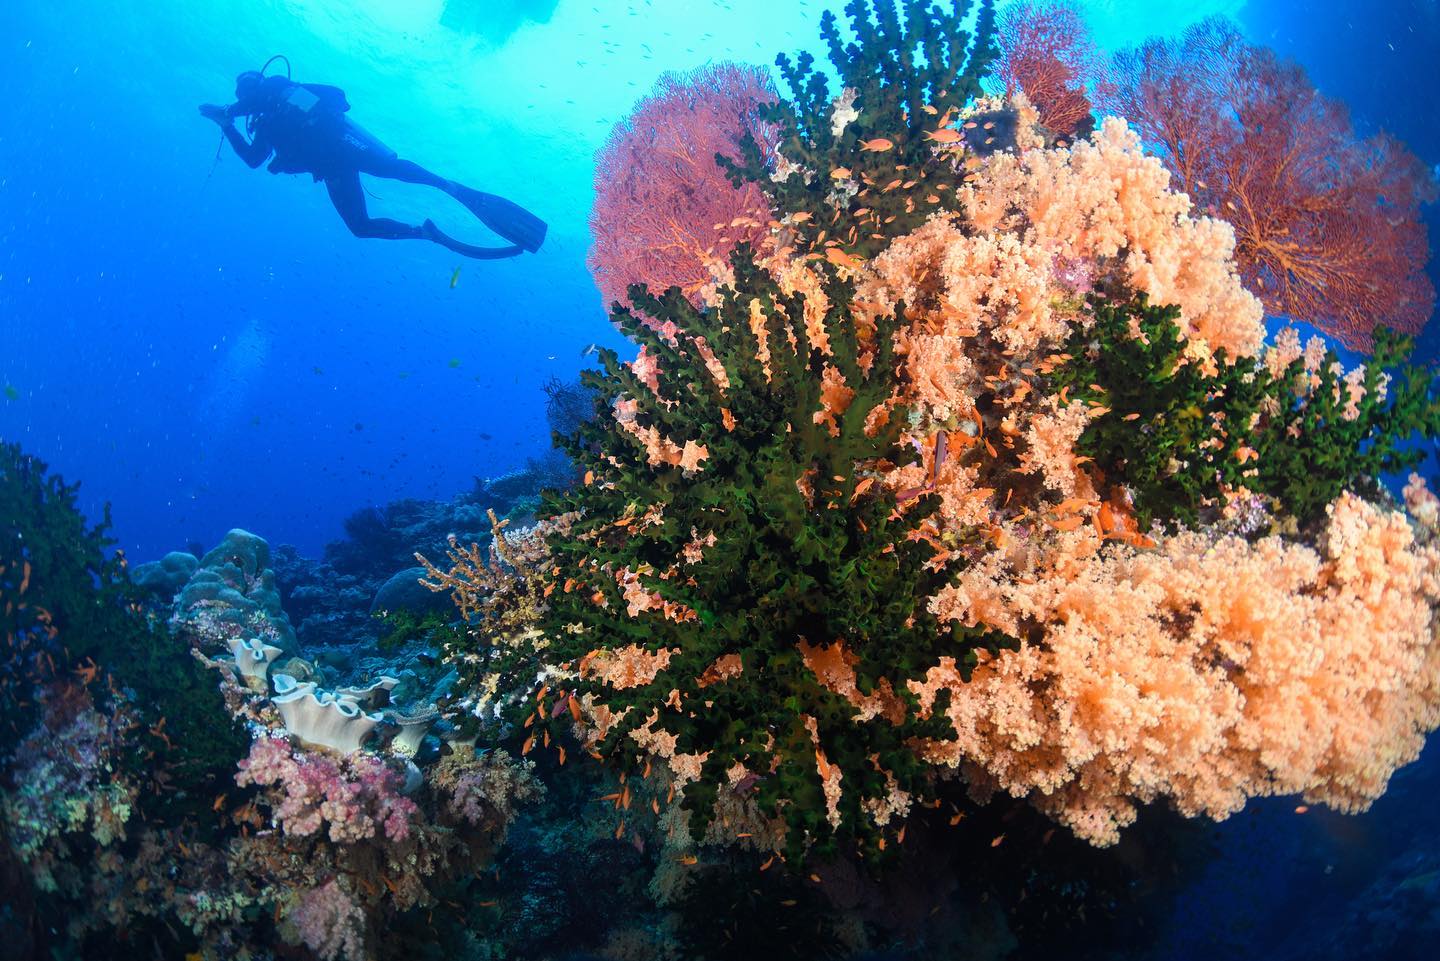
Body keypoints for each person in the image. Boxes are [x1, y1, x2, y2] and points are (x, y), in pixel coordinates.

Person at [200, 67, 546, 259]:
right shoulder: (265, 124)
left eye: (249, 86)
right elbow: (254, 160)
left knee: (392, 169)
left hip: (343, 143)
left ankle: (448, 186)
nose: (247, 93)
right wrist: (227, 126)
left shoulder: (283, 89)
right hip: (332, 169)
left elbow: (325, 97)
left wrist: (229, 111)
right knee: (359, 227)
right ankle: (424, 233)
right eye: (242, 91)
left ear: (260, 83)